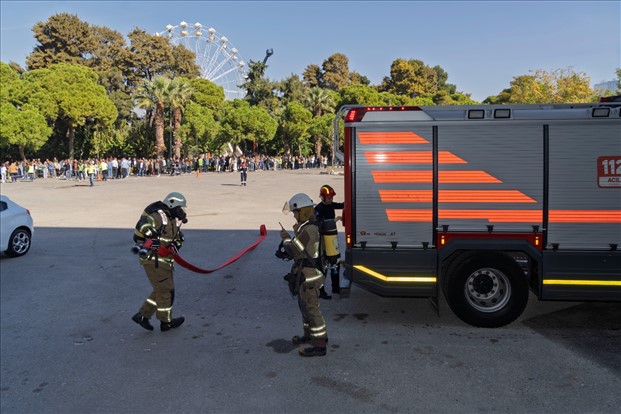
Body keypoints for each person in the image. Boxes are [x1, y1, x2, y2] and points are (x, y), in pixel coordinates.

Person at [132, 192, 188, 332]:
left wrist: (177, 244)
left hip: (165, 261)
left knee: (162, 289)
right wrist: (152, 235)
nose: (182, 211)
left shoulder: (171, 219)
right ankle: (166, 322)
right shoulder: (159, 216)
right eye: (180, 207)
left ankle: (142, 316)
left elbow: (177, 237)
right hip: (154, 260)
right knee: (166, 290)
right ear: (172, 204)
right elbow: (142, 225)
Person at [280, 193, 328, 357]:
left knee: (312, 309)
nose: (294, 215)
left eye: (296, 212)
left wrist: (286, 239)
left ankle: (319, 344)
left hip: (310, 278)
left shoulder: (310, 230)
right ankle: (309, 336)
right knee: (305, 307)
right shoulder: (306, 227)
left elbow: (295, 250)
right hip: (305, 276)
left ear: (304, 212)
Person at [314, 185, 345, 299]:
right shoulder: (318, 209)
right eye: (329, 198)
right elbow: (318, 224)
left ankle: (335, 288)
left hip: (332, 239)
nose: (331, 200)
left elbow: (342, 205)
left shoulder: (331, 205)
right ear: (322, 197)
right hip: (323, 240)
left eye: (332, 197)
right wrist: (334, 220)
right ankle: (321, 291)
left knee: (335, 263)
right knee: (324, 266)